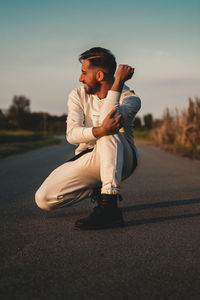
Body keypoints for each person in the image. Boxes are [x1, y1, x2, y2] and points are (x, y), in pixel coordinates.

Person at [35, 47, 141, 229]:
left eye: (84, 73)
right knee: (43, 199)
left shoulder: (130, 98)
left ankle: (109, 205)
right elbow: (72, 135)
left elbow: (111, 117)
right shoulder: (77, 95)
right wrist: (100, 130)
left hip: (124, 158)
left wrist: (117, 84)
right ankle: (98, 188)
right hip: (89, 158)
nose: (80, 78)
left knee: (110, 129)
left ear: (99, 76)